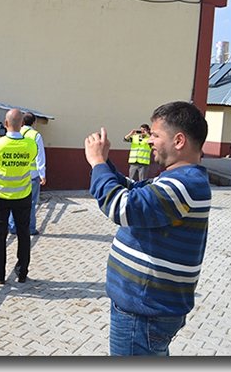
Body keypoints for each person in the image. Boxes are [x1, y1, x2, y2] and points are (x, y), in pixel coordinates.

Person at [84, 101, 211, 356]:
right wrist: (106, 164)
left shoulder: (185, 183)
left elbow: (122, 207)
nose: (149, 141)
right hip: (143, 309)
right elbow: (134, 190)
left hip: (143, 313)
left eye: (155, 135)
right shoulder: (176, 177)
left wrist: (98, 163)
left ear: (178, 140)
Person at [0, 108, 37, 284]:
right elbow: (32, 160)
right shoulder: (31, 144)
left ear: (6, 124)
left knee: (0, 234)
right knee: (23, 234)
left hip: (0, 196)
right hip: (23, 195)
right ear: (22, 124)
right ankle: (22, 273)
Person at [8, 112, 47, 236]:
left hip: (16, 174)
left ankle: (12, 227)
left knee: (14, 200)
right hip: (32, 175)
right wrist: (42, 174)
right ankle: (30, 228)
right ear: (34, 123)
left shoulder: (15, 133)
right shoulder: (35, 135)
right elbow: (40, 156)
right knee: (30, 203)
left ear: (22, 122)